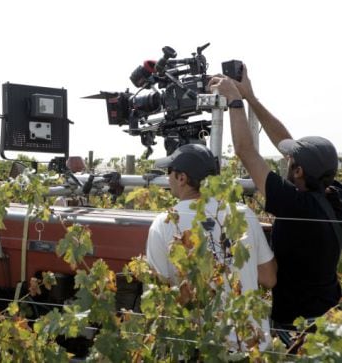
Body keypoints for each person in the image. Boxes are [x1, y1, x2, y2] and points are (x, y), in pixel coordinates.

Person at [209, 67, 342, 346]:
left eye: (291, 161)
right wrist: (251, 99)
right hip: (330, 316)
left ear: (298, 172)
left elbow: (246, 152)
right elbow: (287, 145)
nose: (286, 160)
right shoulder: (333, 194)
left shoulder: (295, 205)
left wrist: (235, 102)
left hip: (297, 326)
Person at [145, 143, 277, 349]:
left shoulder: (165, 223)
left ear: (182, 178)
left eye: (169, 172)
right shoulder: (243, 214)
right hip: (253, 347)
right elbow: (269, 278)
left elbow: (161, 297)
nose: (167, 178)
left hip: (203, 347)